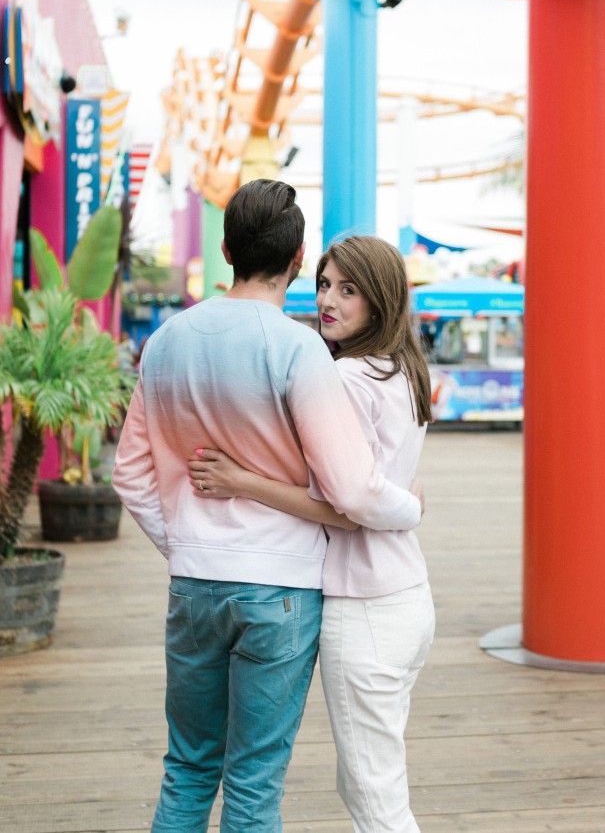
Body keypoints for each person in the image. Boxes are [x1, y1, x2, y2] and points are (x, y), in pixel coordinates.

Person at [111, 182, 423, 833]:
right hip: (282, 591)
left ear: (225, 249)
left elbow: (131, 475)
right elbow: (353, 489)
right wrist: (412, 508)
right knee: (252, 784)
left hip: (194, 585)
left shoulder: (165, 342)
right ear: (298, 256)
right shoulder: (299, 350)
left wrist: (189, 544)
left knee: (189, 768)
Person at [188, 235, 435, 833]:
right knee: (376, 781)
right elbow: (387, 484)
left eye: (349, 290)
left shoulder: (347, 377)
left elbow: (346, 507)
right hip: (407, 596)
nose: (329, 300)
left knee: (374, 797)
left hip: (365, 603)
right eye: (324, 284)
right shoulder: (402, 370)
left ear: (379, 300)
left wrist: (239, 479)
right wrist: (408, 505)